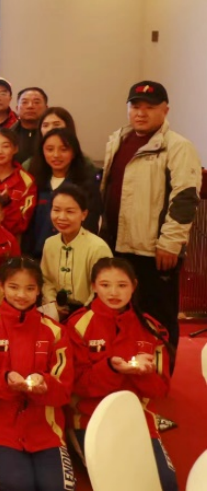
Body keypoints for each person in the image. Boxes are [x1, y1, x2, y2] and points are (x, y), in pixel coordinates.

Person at [100, 81, 200, 361]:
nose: (141, 113)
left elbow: (185, 198)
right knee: (121, 315)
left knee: (158, 317)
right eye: (135, 106)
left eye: (150, 107)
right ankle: (127, 371)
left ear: (165, 110)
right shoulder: (118, 140)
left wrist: (170, 243)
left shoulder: (178, 147)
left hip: (154, 251)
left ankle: (161, 373)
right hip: (118, 245)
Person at [67, 258, 178, 491]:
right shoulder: (77, 325)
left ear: (134, 286)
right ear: (93, 286)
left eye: (122, 285)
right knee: (117, 481)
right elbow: (76, 385)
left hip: (137, 417)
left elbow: (161, 389)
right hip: (90, 417)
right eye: (105, 285)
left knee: (164, 483)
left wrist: (141, 373)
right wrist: (112, 368)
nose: (114, 292)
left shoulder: (151, 328)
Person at [0, 257, 75, 491]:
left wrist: (45, 383)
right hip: (1, 426)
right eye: (13, 287)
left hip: (45, 426)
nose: (21, 295)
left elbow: (64, 388)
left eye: (30, 288)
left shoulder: (55, 331)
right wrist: (5, 380)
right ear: (0, 286)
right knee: (18, 485)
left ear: (39, 290)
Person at [25, 128, 102, 259]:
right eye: (50, 149)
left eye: (64, 149)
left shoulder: (86, 185)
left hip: (74, 255)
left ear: (74, 152)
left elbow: (91, 223)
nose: (56, 155)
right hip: (38, 255)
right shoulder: (34, 183)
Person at [41, 185, 113, 320]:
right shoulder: (50, 244)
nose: (61, 217)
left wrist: (81, 316)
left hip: (90, 312)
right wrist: (52, 305)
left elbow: (102, 289)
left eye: (70, 211)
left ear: (84, 215)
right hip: (56, 309)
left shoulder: (98, 247)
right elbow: (47, 280)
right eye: (56, 210)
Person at [10, 88, 48, 165]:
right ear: (17, 108)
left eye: (36, 102)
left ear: (46, 108)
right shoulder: (8, 135)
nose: (30, 106)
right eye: (24, 102)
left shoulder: (52, 135)